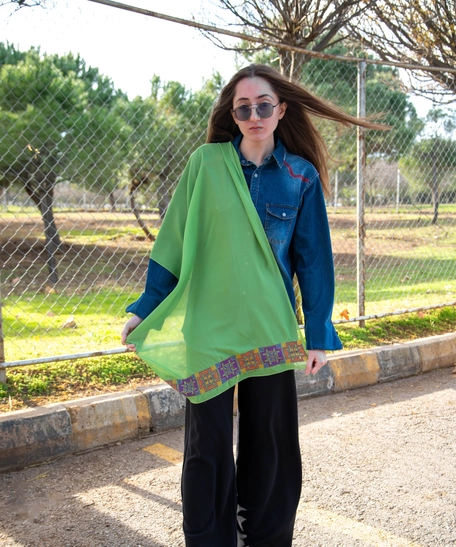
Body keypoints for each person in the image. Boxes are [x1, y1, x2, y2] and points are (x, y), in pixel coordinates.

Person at [121, 64, 383, 547]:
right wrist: (146, 305)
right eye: (244, 107)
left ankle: (264, 537)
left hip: (269, 327)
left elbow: (314, 260)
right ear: (233, 113)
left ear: (281, 110)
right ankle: (209, 539)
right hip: (208, 329)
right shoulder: (206, 163)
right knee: (208, 446)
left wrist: (319, 333)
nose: (255, 115)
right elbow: (174, 240)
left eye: (264, 105)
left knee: (271, 442)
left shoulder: (299, 176)